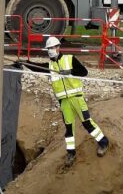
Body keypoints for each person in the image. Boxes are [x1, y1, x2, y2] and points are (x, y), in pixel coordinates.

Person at [45, 36, 110, 166]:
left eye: (53, 47)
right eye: (49, 48)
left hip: (76, 98)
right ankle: (71, 153)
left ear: (58, 47)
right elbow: (36, 67)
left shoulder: (70, 59)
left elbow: (84, 72)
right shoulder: (49, 65)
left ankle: (103, 143)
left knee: (87, 123)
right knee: (69, 128)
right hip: (64, 102)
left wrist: (70, 72)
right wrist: (23, 63)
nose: (51, 50)